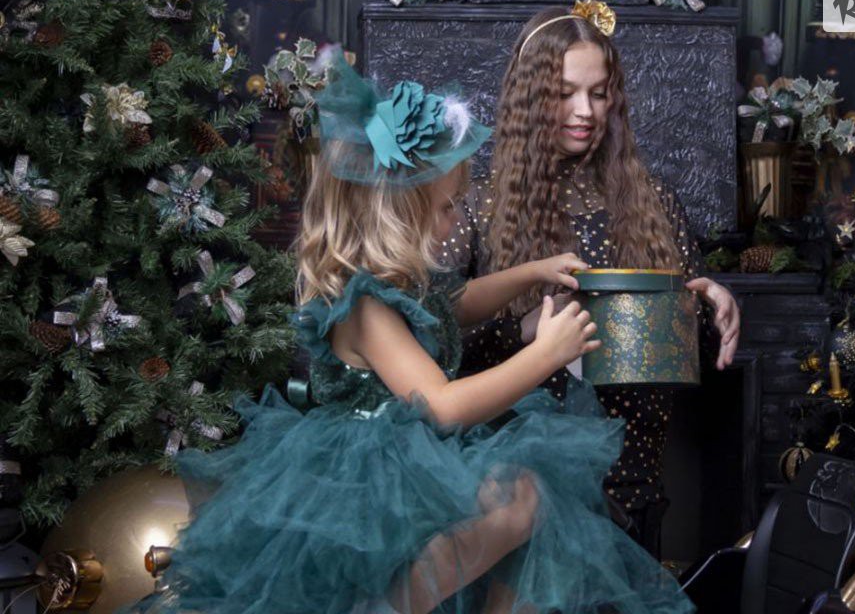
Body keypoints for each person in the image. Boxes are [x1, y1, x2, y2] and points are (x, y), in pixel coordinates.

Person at [136, 48, 694, 614]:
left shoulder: (407, 285)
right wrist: (546, 354)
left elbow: (461, 303)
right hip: (372, 466)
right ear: (396, 213)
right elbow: (443, 406)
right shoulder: (367, 305)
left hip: (414, 454)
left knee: (528, 499)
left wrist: (532, 271)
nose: (454, 220)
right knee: (516, 503)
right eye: (448, 207)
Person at [442, 0, 741, 559]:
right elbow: (435, 346)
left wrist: (711, 307)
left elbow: (684, 354)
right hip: (517, 490)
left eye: (599, 93)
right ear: (531, 98)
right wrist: (521, 332)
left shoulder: (653, 202)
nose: (585, 111)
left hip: (632, 478)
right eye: (564, 93)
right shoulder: (477, 207)